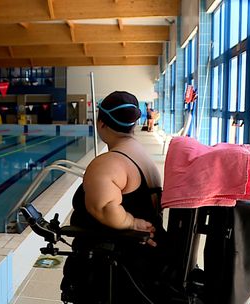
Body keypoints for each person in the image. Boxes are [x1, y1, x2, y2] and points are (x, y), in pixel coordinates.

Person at [61, 91, 168, 303]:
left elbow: (105, 208)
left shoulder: (109, 163)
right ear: (133, 125)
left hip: (116, 267)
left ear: (101, 124)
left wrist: (130, 221)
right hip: (143, 259)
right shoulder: (142, 155)